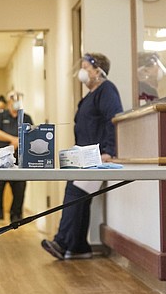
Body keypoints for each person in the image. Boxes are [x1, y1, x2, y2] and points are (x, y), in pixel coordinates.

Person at [41, 53, 123, 260]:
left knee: (75, 194)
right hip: (83, 156)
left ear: (98, 71)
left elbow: (112, 120)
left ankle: (62, 242)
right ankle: (78, 247)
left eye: (86, 67)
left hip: (97, 157)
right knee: (78, 196)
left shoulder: (107, 90)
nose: (82, 72)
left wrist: (109, 151)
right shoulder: (89, 96)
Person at [0, 91, 33, 222]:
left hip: (20, 159)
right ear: (8, 101)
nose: (16, 100)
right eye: (13, 98)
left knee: (19, 188)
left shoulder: (26, 117)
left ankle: (16, 215)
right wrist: (14, 140)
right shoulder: (0, 116)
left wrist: (17, 142)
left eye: (19, 98)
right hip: (2, 159)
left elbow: (31, 133)